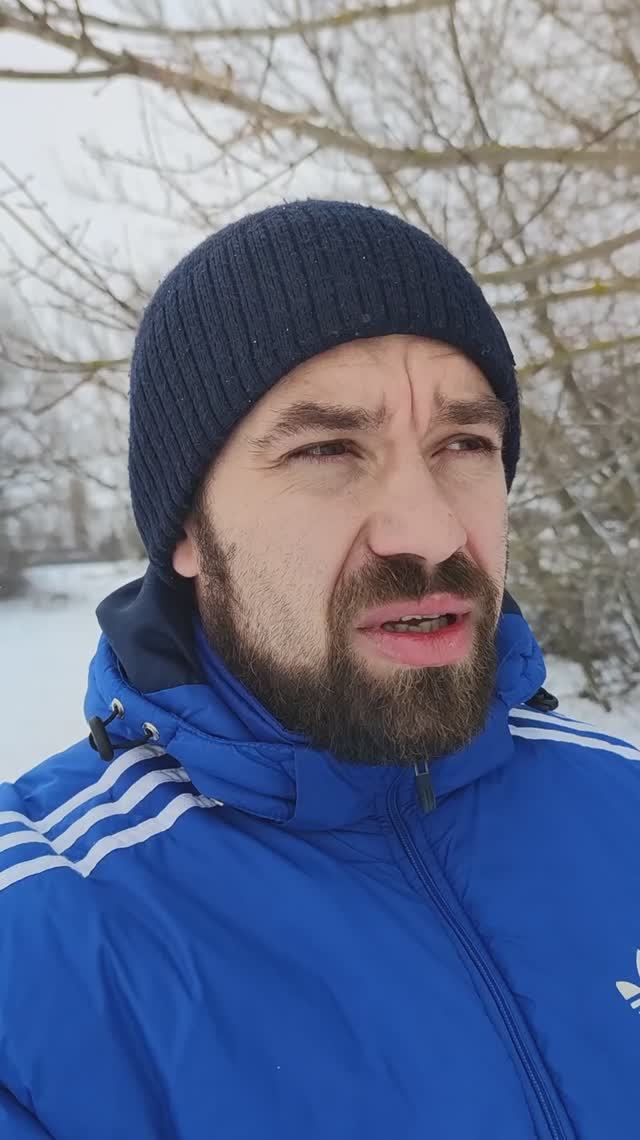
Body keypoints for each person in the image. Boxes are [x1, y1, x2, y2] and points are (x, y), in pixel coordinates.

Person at [0, 200, 638, 1140]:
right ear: (186, 531)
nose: (429, 531)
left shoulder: (623, 802)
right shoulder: (38, 946)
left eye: (464, 444)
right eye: (328, 450)